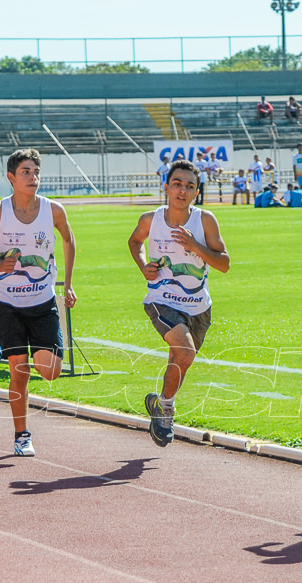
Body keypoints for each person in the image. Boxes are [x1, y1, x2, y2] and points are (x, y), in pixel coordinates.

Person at [0, 148, 76, 457]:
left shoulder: (54, 210)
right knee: (18, 371)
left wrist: (68, 284)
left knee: (50, 371)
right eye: (26, 172)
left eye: (35, 172)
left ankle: (28, 354)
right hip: (6, 303)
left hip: (42, 301)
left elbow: (69, 241)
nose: (32, 177)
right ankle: (22, 435)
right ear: (11, 177)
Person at [127, 159, 229, 447]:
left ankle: (160, 404)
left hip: (199, 306)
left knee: (180, 360)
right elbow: (135, 242)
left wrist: (195, 246)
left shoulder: (204, 220)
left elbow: (224, 264)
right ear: (166, 187)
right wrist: (143, 263)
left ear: (196, 193)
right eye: (177, 184)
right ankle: (168, 410)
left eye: (189, 186)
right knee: (185, 352)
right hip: (161, 299)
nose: (182, 190)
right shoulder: (151, 219)